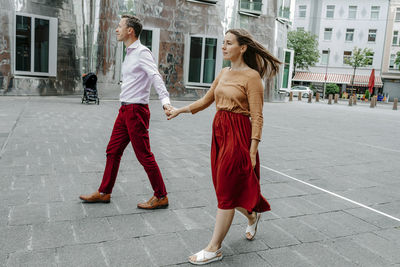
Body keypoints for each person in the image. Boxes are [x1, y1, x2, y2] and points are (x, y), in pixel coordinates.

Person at [167, 29, 281, 265]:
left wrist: (252, 151)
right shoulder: (224, 72)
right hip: (219, 132)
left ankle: (214, 248)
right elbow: (207, 100)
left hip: (239, 134)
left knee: (227, 190)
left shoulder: (252, 77)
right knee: (224, 190)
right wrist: (179, 110)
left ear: (243, 48)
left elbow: (258, 117)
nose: (224, 47)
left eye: (229, 43)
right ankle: (252, 216)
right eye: (223, 43)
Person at [79, 15, 172, 209]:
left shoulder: (142, 52)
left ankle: (161, 195)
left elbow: (155, 76)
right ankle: (104, 192)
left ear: (130, 30)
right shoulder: (129, 53)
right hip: (125, 110)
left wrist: (165, 101)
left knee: (144, 155)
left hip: (136, 110)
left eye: (120, 26)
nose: (116, 29)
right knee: (113, 150)